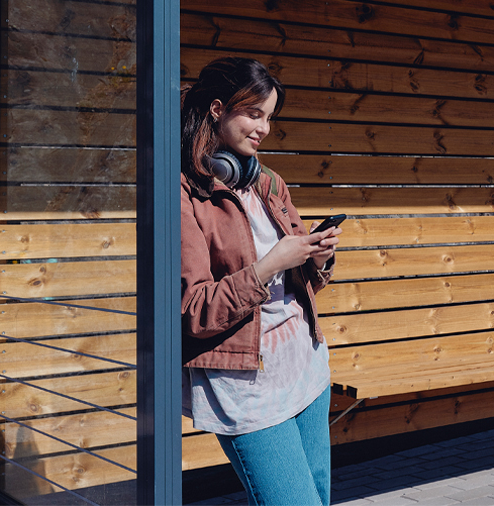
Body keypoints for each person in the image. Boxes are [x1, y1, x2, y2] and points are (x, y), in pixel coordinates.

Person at [180, 57, 341, 506]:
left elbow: (300, 282)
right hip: (246, 384)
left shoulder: (268, 182)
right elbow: (193, 310)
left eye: (269, 117)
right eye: (254, 114)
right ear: (217, 109)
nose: (264, 128)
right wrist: (270, 265)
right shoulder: (184, 195)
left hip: (305, 364)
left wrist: (318, 258)